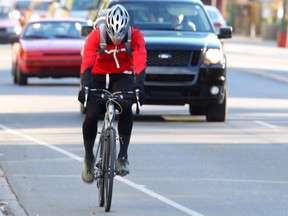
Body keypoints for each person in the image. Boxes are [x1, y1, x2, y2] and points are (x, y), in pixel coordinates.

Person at [78, 4, 147, 184]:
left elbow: (140, 61)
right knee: (92, 113)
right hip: (97, 74)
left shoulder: (136, 36)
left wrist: (139, 87)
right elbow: (87, 62)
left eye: (120, 35)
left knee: (125, 106)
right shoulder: (96, 36)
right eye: (113, 35)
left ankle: (122, 157)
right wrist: (85, 86)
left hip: (122, 74)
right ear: (107, 28)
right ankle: (88, 158)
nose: (117, 40)